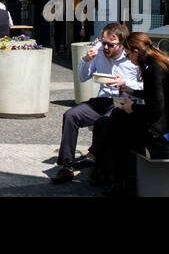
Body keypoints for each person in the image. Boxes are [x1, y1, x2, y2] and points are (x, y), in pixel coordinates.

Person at [96, 32, 169, 193]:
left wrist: (132, 108)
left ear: (136, 51)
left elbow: (155, 107)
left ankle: (118, 180)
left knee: (117, 124)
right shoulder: (161, 62)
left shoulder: (153, 69)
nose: (129, 60)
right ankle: (104, 168)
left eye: (128, 55)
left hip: (168, 129)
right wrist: (132, 92)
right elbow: (157, 95)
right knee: (112, 121)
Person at [50, 22, 141, 184]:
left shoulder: (132, 59)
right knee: (71, 115)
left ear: (121, 44)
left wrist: (125, 82)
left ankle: (99, 168)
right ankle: (67, 166)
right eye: (103, 42)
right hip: (102, 99)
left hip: (122, 101)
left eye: (110, 45)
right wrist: (85, 60)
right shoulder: (99, 51)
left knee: (103, 122)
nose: (105, 47)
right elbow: (82, 77)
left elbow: (146, 86)